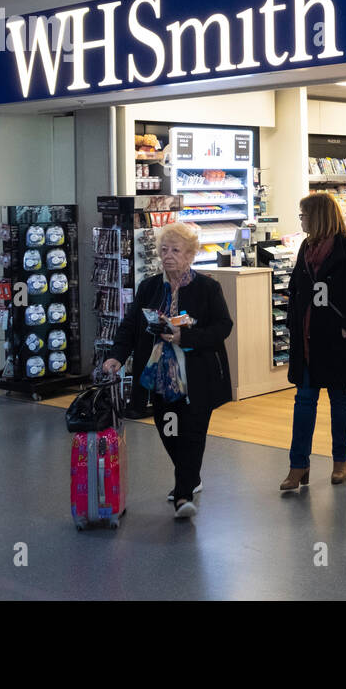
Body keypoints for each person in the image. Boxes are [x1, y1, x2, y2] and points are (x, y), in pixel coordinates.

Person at [103, 221, 233, 519]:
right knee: (167, 428)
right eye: (164, 249)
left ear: (190, 255)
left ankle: (183, 493)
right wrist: (116, 357)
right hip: (160, 375)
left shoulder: (208, 288)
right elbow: (129, 327)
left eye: (176, 250)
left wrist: (184, 336)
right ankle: (190, 477)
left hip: (198, 375)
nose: (168, 255)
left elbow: (223, 327)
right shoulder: (149, 287)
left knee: (193, 432)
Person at [283, 192, 346, 490]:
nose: (302, 220)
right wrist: (291, 323)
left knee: (339, 401)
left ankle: (340, 461)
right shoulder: (304, 249)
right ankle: (298, 466)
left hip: (337, 342)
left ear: (319, 216)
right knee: (304, 401)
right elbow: (295, 290)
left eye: (304, 215)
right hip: (308, 341)